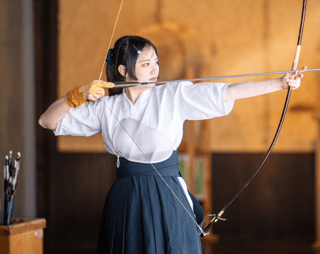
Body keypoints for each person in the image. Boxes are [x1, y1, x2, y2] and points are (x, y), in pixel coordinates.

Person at [39, 35, 305, 254]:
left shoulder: (173, 94)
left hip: (167, 193)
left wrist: (280, 83)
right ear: (123, 70)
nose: (155, 69)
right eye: (145, 63)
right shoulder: (106, 107)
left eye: (156, 62)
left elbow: (227, 92)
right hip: (126, 196)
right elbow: (47, 121)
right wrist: (75, 96)